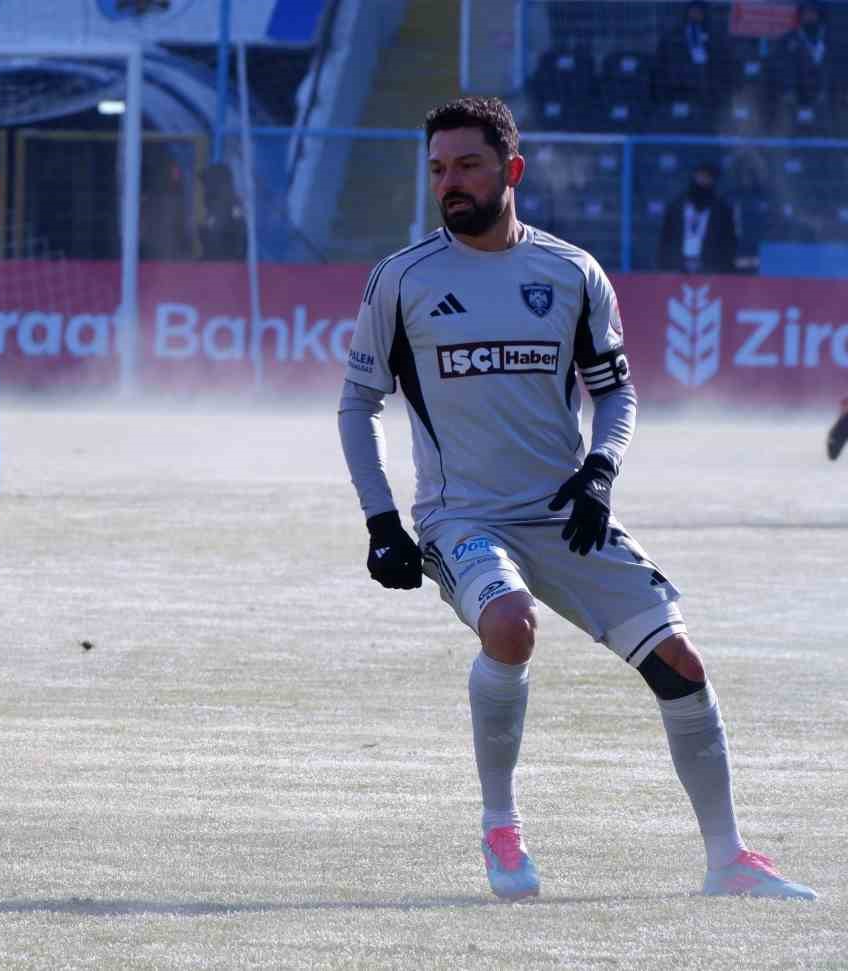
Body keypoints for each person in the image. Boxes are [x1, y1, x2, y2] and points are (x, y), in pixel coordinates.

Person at [337, 95, 816, 903]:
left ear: (511, 171)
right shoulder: (402, 280)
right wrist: (383, 521)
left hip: (566, 511)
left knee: (681, 662)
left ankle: (729, 859)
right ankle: (501, 825)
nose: (450, 183)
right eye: (439, 169)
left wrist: (599, 474)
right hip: (464, 518)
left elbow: (616, 395)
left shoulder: (570, 272)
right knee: (510, 626)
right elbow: (358, 405)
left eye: (468, 166)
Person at [656, 163, 739, 274]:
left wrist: (721, 267)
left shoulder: (722, 211)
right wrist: (667, 266)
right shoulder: (676, 207)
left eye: (707, 178)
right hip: (677, 269)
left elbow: (729, 243)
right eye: (700, 176)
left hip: (711, 270)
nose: (703, 181)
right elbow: (666, 239)